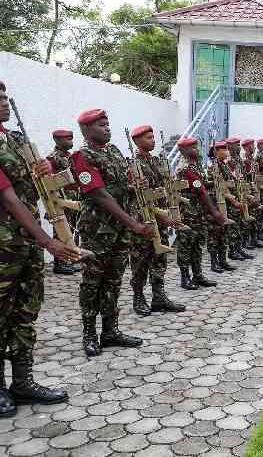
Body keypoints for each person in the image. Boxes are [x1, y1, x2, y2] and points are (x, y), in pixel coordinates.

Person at [0, 80, 77, 416]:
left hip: (26, 241)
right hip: (4, 245)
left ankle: (22, 381)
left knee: (26, 310)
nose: (3, 101)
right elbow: (8, 197)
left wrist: (43, 171)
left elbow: (33, 187)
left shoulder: (15, 140)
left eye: (4, 95)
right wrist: (48, 241)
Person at [71, 109, 151, 357]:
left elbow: (118, 185)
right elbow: (99, 194)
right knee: (93, 282)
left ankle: (110, 331)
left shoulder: (114, 151)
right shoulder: (82, 157)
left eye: (107, 124)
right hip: (98, 231)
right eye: (101, 125)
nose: (107, 128)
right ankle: (89, 334)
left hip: (118, 232)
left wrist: (134, 185)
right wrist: (133, 224)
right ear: (86, 130)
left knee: (113, 280)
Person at [128, 125, 185, 315]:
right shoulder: (132, 164)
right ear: (136, 141)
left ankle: (159, 297)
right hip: (143, 218)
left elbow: (165, 187)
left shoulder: (157, 161)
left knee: (159, 258)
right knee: (140, 261)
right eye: (148, 137)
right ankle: (138, 298)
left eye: (153, 137)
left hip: (160, 217)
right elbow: (134, 195)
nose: (152, 140)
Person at [174, 137, 227, 284]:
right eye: (192, 147)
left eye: (196, 147)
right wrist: (215, 213)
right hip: (188, 213)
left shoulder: (195, 166)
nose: (197, 150)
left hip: (198, 213)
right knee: (186, 246)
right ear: (183, 151)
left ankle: (197, 275)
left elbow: (202, 185)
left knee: (197, 244)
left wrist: (214, 181)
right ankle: (185, 278)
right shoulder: (187, 169)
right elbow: (201, 191)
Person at [46, 128, 82, 274]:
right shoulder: (52, 158)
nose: (70, 141)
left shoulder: (72, 156)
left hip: (74, 198)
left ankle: (72, 259)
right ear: (57, 140)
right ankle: (60, 263)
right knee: (61, 231)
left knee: (73, 230)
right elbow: (49, 180)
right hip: (61, 199)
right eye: (67, 139)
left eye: (71, 138)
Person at [206, 141, 238, 273]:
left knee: (224, 233)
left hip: (224, 204)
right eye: (223, 149)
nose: (227, 151)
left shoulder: (223, 165)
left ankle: (223, 260)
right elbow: (215, 185)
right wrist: (230, 196)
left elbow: (228, 182)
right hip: (215, 204)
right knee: (214, 235)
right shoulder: (212, 166)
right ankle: (214, 263)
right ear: (216, 151)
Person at [226, 137, 256, 256]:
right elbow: (229, 181)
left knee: (241, 223)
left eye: (239, 144)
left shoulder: (239, 160)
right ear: (230, 147)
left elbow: (244, 177)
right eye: (236, 145)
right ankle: (233, 250)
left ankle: (239, 247)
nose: (239, 147)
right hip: (234, 196)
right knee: (234, 225)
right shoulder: (228, 162)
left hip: (242, 194)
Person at [242, 138, 263, 248]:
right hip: (246, 192)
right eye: (252, 145)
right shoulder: (244, 160)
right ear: (247, 147)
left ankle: (254, 238)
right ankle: (246, 241)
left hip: (254, 190)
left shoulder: (252, 160)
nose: (254, 147)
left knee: (255, 216)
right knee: (247, 218)